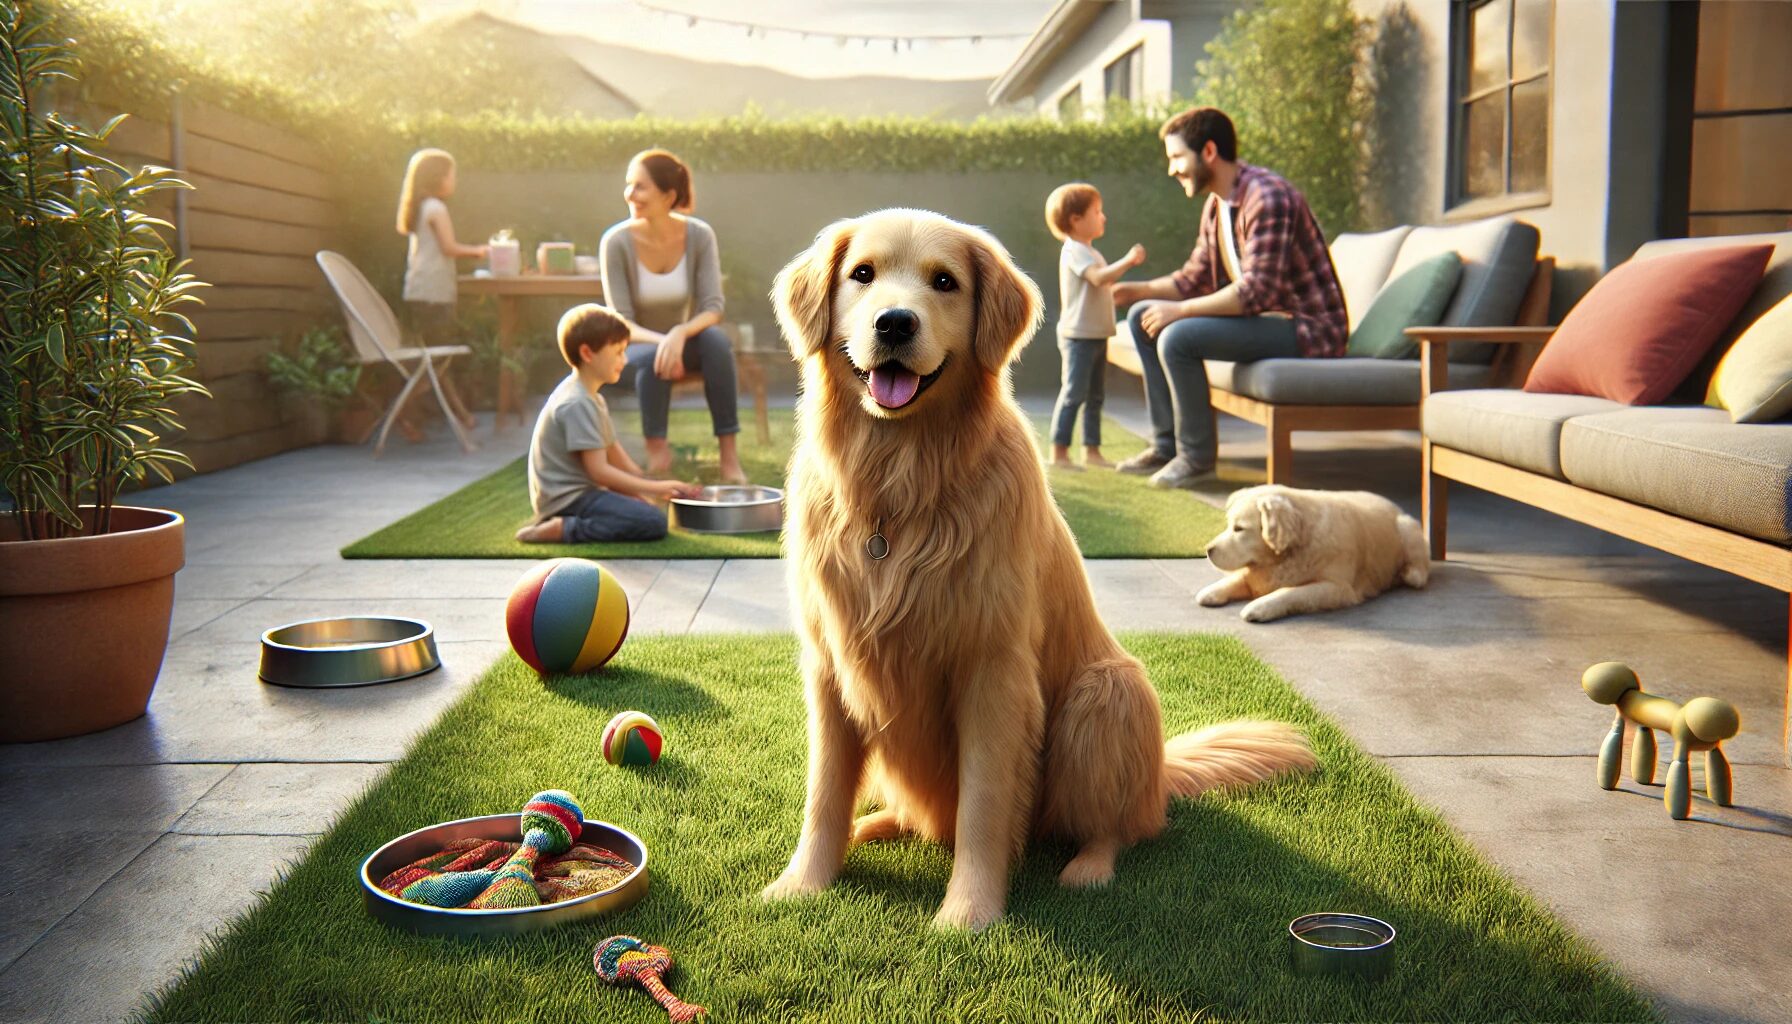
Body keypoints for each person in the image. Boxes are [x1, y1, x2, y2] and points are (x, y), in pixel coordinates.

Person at [1111, 107, 1348, 488]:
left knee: (1178, 336)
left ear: (1208, 152)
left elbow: (1258, 291)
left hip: (1307, 330)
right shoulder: (1218, 205)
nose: (1171, 169)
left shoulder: (1268, 198)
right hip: (1267, 320)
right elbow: (1195, 278)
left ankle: (1196, 458)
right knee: (1143, 316)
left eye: (1176, 157)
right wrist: (1136, 291)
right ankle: (1166, 446)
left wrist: (1181, 311)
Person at [599, 149, 746, 484]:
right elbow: (621, 321)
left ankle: (729, 457)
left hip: (683, 340)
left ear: (668, 195)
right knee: (654, 358)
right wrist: (665, 343)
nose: (629, 194)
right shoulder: (616, 242)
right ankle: (657, 454)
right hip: (636, 344)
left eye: (640, 187)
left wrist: (679, 334)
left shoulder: (699, 235)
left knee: (717, 344)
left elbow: (713, 307)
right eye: (628, 185)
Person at [515, 304, 702, 545]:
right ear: (587, 353)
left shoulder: (593, 398)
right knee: (652, 521)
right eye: (617, 352)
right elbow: (599, 472)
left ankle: (572, 523)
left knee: (645, 511)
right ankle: (565, 528)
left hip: (585, 495)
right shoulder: (577, 403)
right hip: (569, 502)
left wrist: (650, 487)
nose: (624, 360)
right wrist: (656, 489)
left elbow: (617, 457)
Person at [1044, 182, 1145, 470]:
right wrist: (1129, 261)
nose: (1103, 217)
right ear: (1076, 220)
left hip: (1096, 334)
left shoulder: (1089, 251)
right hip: (1079, 336)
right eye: (1097, 212)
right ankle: (1060, 452)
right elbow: (1099, 279)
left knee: (1096, 395)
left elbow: (1100, 285)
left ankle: (1092, 450)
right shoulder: (1075, 251)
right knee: (1074, 392)